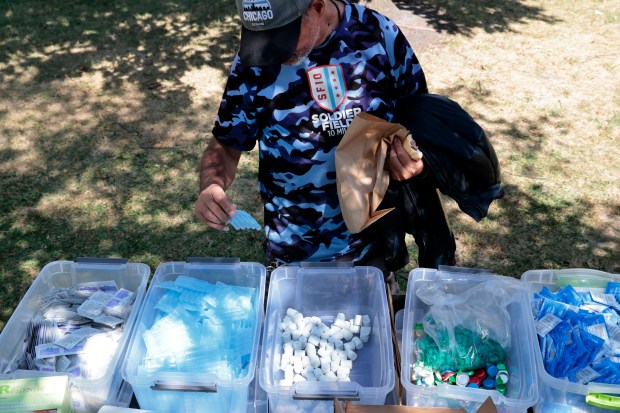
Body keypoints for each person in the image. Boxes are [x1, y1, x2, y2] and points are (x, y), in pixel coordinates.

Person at [194, 0, 428, 291]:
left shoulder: (380, 35)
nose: (274, 53)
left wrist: (413, 159)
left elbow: (421, 120)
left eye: (284, 35)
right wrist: (211, 184)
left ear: (316, 7)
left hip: (372, 247)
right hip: (291, 252)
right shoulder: (257, 58)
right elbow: (226, 144)